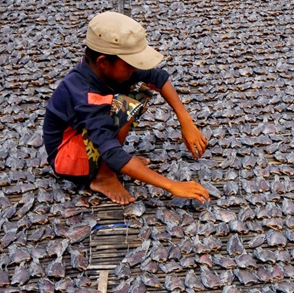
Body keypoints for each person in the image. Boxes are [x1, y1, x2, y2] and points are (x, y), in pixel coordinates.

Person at [43, 11, 211, 205]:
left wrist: (186, 121)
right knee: (126, 104)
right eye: (130, 64)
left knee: (139, 90)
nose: (134, 68)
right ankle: (103, 177)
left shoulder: (103, 69)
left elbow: (159, 78)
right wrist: (172, 185)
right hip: (68, 158)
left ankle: (112, 167)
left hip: (86, 137)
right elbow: (111, 151)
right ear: (103, 62)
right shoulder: (85, 95)